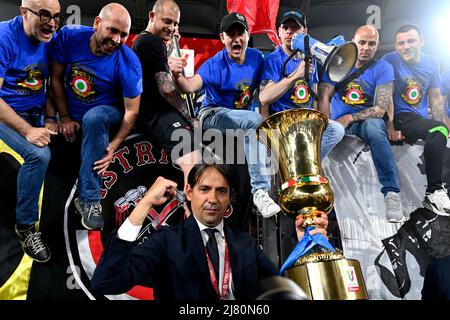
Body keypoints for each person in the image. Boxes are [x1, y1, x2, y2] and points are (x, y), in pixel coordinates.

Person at [90, 163, 328, 300]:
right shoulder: (167, 241)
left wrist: (305, 245)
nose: (213, 199)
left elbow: (281, 293)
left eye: (221, 191)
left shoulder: (245, 244)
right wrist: (144, 205)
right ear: (189, 192)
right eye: (204, 189)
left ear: (229, 198)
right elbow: (105, 283)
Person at [168, 12, 281, 218]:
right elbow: (189, 86)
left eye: (241, 33)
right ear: (222, 38)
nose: (236, 39)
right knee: (254, 120)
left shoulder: (257, 58)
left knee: (257, 123)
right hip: (212, 116)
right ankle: (260, 192)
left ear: (248, 36)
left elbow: (266, 92)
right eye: (231, 34)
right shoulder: (215, 64)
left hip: (240, 119)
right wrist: (177, 75)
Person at [50, 3, 142, 230]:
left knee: (94, 117)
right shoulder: (70, 37)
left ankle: (90, 199)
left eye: (123, 34)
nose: (117, 39)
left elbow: (132, 111)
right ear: (97, 23)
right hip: (71, 112)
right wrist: (64, 117)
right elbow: (55, 79)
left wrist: (113, 145)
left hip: (107, 113)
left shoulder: (129, 62)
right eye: (112, 30)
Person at [318, 25, 404, 223]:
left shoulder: (383, 67)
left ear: (378, 45)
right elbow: (324, 96)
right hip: (336, 123)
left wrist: (350, 118)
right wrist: (326, 123)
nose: (366, 47)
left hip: (364, 121)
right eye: (362, 43)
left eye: (371, 43)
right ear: (353, 43)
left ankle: (391, 193)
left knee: (375, 127)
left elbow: (381, 107)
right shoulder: (338, 63)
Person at [0, 0, 61, 262]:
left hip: (36, 112)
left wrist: (50, 118)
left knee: (74, 135)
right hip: (7, 114)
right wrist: (28, 131)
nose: (51, 23)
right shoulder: (5, 37)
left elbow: (50, 85)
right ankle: (26, 228)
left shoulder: (52, 40)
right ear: (24, 12)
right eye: (44, 15)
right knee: (39, 155)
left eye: (56, 17)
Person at [131, 0, 201, 190]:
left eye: (176, 23)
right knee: (194, 164)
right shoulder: (149, 43)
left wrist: (169, 45)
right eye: (168, 21)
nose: (172, 27)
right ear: (152, 17)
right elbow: (167, 90)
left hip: (155, 113)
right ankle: (192, 215)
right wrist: (189, 117)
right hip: (157, 113)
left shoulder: (152, 43)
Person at [259, 8, 344, 160]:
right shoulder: (273, 60)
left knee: (336, 130)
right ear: (279, 31)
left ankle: (304, 163)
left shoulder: (311, 57)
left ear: (305, 31)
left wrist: (321, 124)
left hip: (306, 122)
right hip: (283, 123)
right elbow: (264, 99)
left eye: (295, 28)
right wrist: (295, 75)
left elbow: (315, 95)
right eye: (285, 28)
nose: (290, 32)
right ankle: (302, 164)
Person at [382, 24, 450, 216]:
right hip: (400, 117)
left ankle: (436, 190)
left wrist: (444, 127)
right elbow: (385, 95)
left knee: (439, 131)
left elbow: (436, 99)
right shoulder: (389, 60)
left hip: (418, 119)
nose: (405, 46)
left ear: (422, 41)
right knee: (438, 130)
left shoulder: (432, 62)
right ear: (395, 47)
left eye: (411, 41)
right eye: (401, 43)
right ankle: (434, 190)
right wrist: (390, 125)